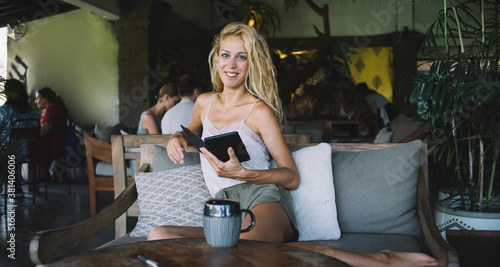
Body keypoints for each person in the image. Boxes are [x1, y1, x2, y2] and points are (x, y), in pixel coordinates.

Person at [147, 22, 439, 267]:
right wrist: (177, 137)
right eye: (225, 55)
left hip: (262, 197)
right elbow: (191, 132)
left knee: (244, 251)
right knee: (159, 235)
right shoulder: (204, 102)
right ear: (216, 59)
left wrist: (245, 174)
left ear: (252, 63)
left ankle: (380, 259)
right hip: (225, 203)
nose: (231, 65)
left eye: (241, 57)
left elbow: (291, 175)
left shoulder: (259, 111)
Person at [0, 79, 39, 195]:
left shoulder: (4, 111)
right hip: (25, 152)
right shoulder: (31, 112)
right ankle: (15, 186)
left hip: (6, 153)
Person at [34, 87, 68, 174]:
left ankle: (32, 179)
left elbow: (43, 131)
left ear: (45, 98)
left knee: (24, 148)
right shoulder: (56, 108)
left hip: (50, 147)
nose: (35, 101)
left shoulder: (51, 109)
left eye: (37, 98)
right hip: (57, 146)